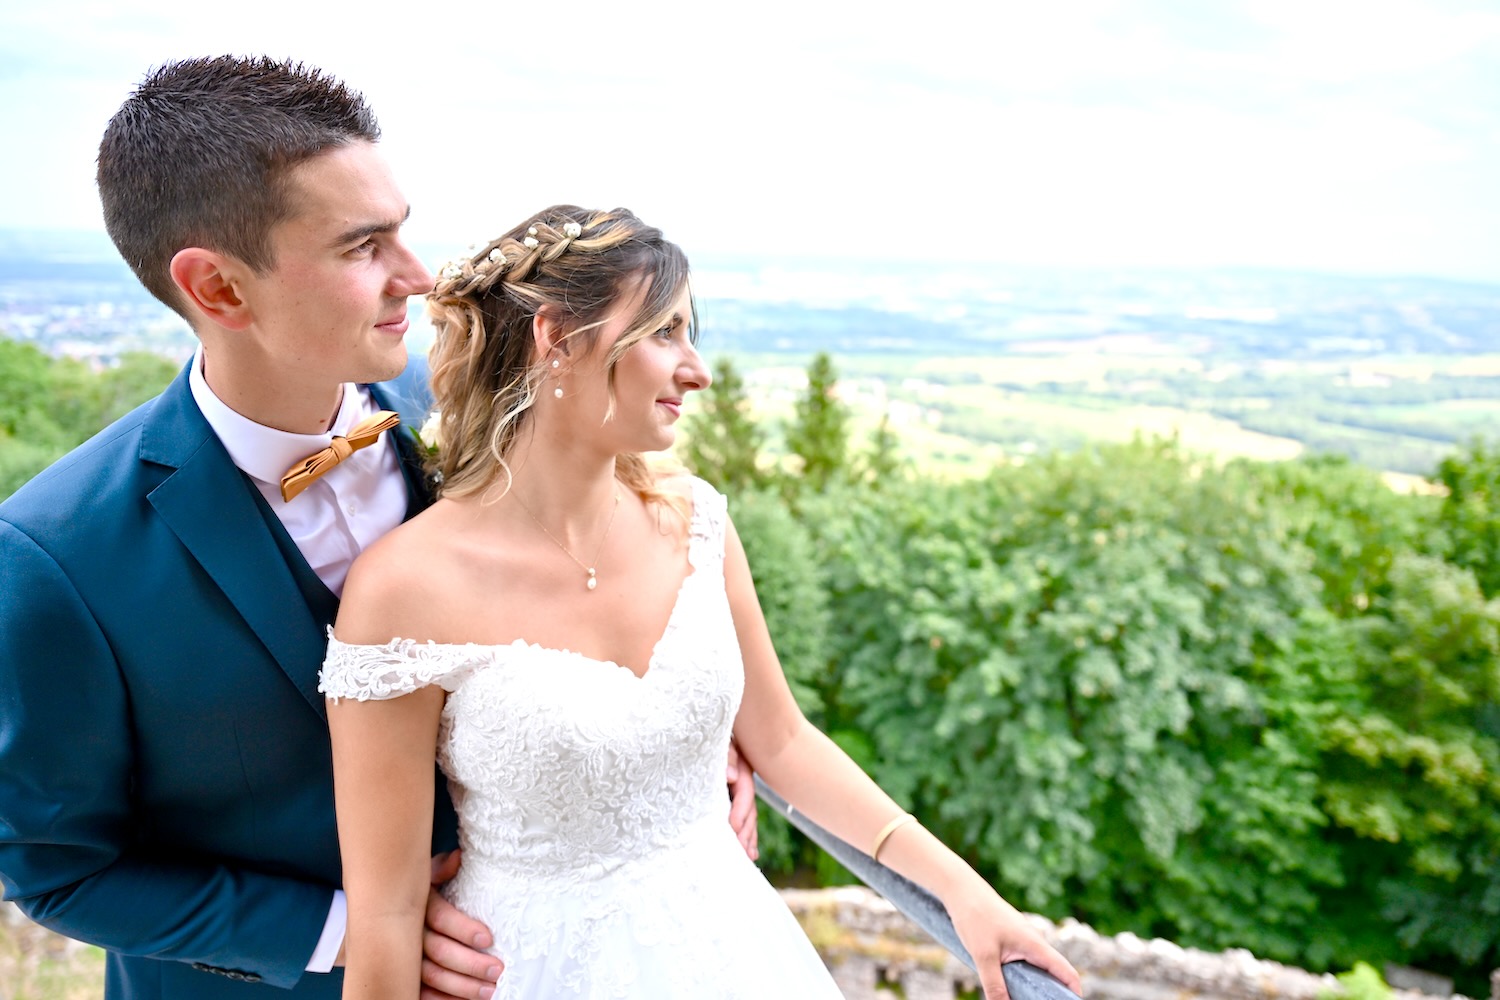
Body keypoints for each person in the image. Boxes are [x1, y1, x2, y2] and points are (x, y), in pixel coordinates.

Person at [0, 57, 757, 1000]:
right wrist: (342, 932)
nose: (420, 276)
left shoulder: (475, 413)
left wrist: (677, 748)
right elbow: (61, 869)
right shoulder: (55, 559)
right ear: (220, 289)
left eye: (401, 228)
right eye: (364, 248)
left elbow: (609, 578)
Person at [321, 206, 1085, 1000]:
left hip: (737, 952)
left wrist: (965, 894)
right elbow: (387, 916)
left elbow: (783, 741)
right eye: (664, 332)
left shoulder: (695, 522)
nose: (697, 371)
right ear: (558, 338)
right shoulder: (403, 592)